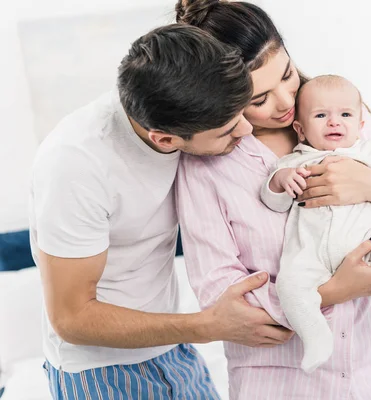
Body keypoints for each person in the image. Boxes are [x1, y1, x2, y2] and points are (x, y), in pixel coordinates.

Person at [175, 1, 371, 398]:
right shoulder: (206, 167)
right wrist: (332, 292)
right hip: (284, 382)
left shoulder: (342, 116)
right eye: (259, 99)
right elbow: (221, 296)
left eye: (286, 75)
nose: (284, 101)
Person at [30, 24, 293, 399]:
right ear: (166, 140)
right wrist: (207, 327)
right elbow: (71, 318)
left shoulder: (184, 104)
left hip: (175, 347)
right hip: (98, 370)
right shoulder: (76, 164)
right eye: (228, 131)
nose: (247, 131)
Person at [261, 75, 371, 373]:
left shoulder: (367, 153)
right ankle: (316, 337)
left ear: (361, 126)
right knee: (289, 286)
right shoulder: (295, 161)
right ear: (300, 129)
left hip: (368, 240)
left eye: (345, 115)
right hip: (311, 253)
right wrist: (282, 181)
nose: (334, 123)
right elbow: (273, 200)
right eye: (321, 115)